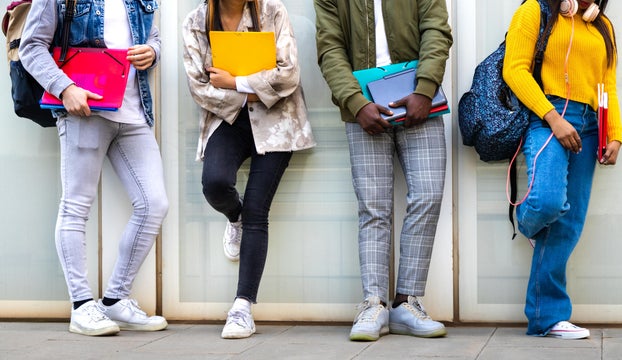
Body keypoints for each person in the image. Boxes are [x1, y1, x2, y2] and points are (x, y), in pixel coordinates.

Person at [19, 0, 168, 336]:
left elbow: (153, 36)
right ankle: (81, 306)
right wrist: (64, 87)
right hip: (83, 112)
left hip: (133, 113)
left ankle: (115, 299)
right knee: (76, 206)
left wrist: (152, 52)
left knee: (154, 204)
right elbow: (31, 46)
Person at [314, 0, 453, 341]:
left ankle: (407, 303)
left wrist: (425, 88)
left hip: (421, 100)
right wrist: (355, 102)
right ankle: (373, 304)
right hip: (362, 107)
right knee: (373, 207)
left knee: (429, 195)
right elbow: (329, 47)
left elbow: (437, 31)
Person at [182, 0, 316, 339]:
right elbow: (199, 86)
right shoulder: (197, 21)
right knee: (214, 183)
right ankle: (234, 217)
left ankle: (242, 308)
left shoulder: (273, 11)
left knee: (258, 209)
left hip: (278, 123)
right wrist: (249, 92)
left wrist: (237, 82)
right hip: (226, 121)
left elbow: (289, 74)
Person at [503, 0, 622, 339]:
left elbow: (607, 84)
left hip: (590, 123)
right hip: (548, 115)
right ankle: (528, 224)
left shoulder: (603, 27)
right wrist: (553, 118)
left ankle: (547, 317)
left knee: (569, 223)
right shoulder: (534, 11)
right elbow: (515, 70)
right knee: (547, 204)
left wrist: (614, 133)